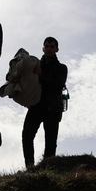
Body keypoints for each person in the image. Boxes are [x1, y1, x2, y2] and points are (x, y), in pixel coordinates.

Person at [21, 37, 68, 167]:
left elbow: (58, 85)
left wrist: (41, 75)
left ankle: (48, 168)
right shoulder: (35, 64)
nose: (49, 49)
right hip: (36, 105)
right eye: (47, 46)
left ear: (57, 49)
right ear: (43, 48)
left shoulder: (61, 68)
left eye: (52, 46)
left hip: (53, 108)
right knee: (27, 136)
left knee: (51, 141)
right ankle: (30, 167)